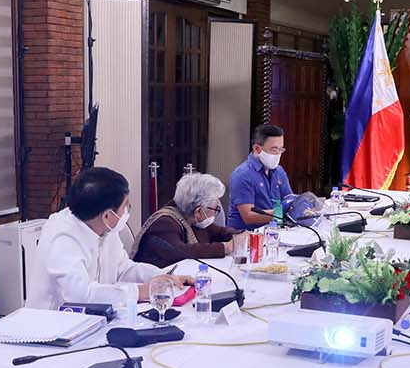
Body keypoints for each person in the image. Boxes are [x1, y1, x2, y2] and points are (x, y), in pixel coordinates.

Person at [26, 167, 189, 311]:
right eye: (125, 206)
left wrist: (161, 277)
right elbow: (81, 296)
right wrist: (141, 291)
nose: (127, 210)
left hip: (92, 320)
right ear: (107, 215)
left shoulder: (105, 227)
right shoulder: (63, 237)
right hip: (52, 328)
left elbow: (123, 268)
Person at [132, 173, 235, 269]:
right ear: (198, 211)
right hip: (152, 282)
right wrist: (224, 248)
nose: (215, 213)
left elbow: (220, 232)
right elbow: (182, 252)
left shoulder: (191, 217)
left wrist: (241, 235)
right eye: (215, 209)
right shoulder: (164, 224)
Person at [227, 124, 294, 230]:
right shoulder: (242, 175)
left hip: (274, 230)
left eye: (280, 149)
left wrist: (303, 203)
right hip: (246, 236)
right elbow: (248, 216)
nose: (278, 154)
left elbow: (289, 200)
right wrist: (282, 213)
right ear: (257, 149)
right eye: (274, 149)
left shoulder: (279, 171)